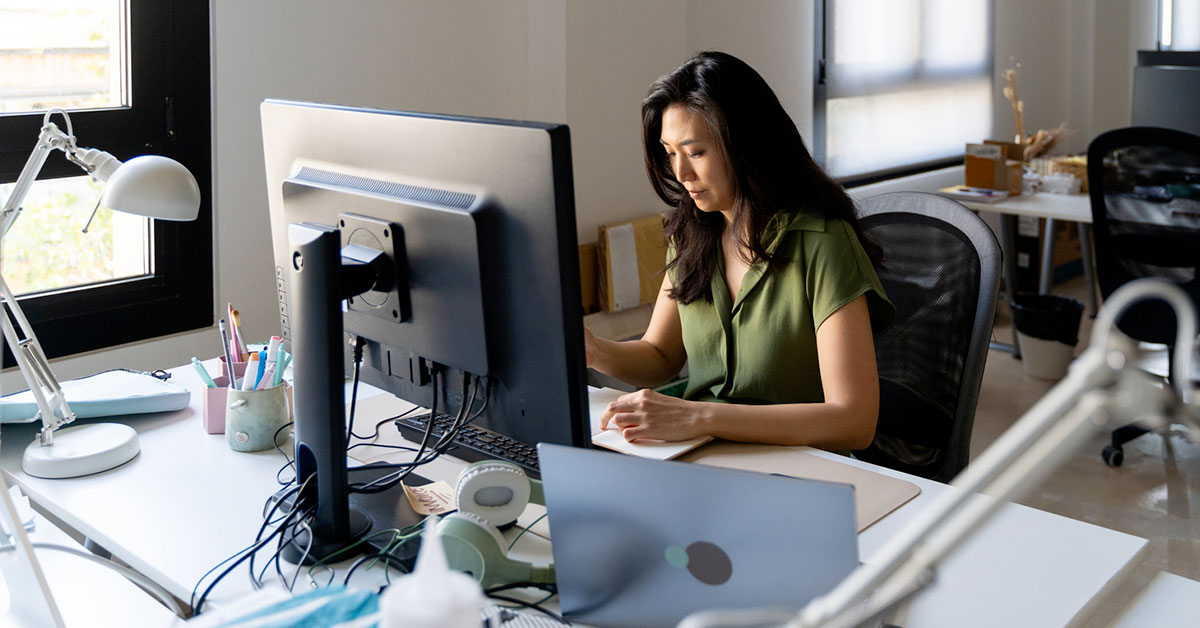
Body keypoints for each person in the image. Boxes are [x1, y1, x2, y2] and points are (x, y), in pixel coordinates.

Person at [586, 51, 895, 452]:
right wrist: (594, 350)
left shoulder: (824, 242)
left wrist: (700, 417)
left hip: (797, 465)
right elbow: (660, 355)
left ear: (746, 146)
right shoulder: (692, 233)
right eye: (670, 152)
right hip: (706, 456)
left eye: (695, 152)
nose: (681, 174)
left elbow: (853, 421)